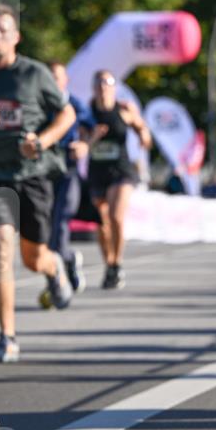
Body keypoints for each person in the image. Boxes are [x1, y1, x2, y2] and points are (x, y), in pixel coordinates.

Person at [0, 6, 76, 362]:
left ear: (16, 37)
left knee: (33, 259)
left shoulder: (34, 73)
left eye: (3, 30)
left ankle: (54, 267)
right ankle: (8, 337)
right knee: (1, 249)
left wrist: (42, 142)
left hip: (32, 176)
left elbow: (67, 114)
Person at [80, 70, 152, 289]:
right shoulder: (87, 113)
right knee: (101, 223)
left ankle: (117, 262)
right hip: (97, 172)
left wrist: (143, 136)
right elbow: (82, 145)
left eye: (107, 82)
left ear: (114, 87)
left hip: (121, 171)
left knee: (116, 216)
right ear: (93, 87)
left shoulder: (124, 110)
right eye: (99, 82)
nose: (103, 86)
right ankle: (109, 264)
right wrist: (93, 138)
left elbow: (144, 133)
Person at [38, 61, 91, 307]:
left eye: (57, 77)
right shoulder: (40, 103)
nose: (53, 81)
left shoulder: (75, 104)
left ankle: (57, 282)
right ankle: (67, 261)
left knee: (61, 221)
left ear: (66, 79)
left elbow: (93, 129)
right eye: (50, 77)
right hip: (44, 172)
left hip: (68, 172)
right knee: (46, 228)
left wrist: (84, 145)